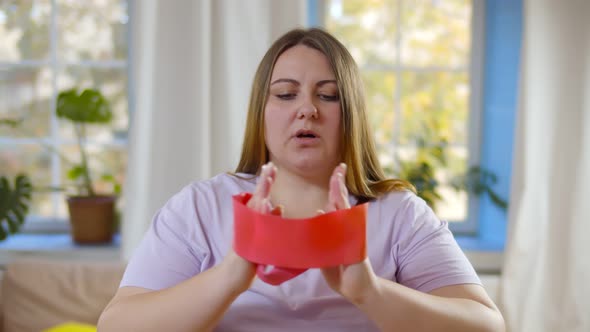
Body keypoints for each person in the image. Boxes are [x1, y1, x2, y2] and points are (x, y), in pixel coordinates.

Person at [98, 28, 505, 332]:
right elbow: (116, 324)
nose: (307, 109)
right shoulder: (200, 207)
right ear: (262, 111)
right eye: (286, 94)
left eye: (328, 96)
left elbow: (485, 324)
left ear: (352, 116)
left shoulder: (400, 215)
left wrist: (368, 291)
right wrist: (230, 276)